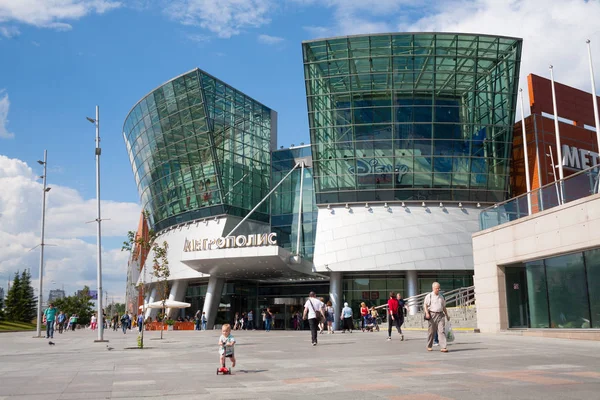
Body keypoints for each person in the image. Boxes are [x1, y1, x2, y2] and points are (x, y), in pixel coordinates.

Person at [424, 282, 450, 353]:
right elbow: (425, 305)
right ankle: (429, 345)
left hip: (441, 315)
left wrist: (447, 315)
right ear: (433, 288)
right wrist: (427, 313)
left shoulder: (441, 297)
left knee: (441, 331)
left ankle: (443, 347)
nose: (438, 289)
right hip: (432, 315)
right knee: (431, 331)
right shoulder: (429, 296)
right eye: (437, 288)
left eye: (439, 288)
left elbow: (444, 307)